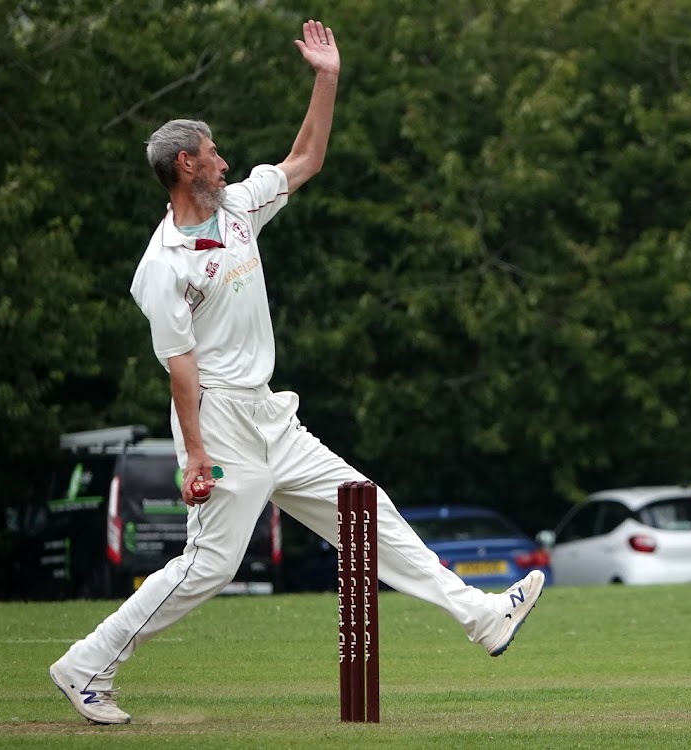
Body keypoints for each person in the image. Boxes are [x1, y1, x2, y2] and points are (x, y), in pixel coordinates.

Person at [48, 20, 544, 725]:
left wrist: (327, 77)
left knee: (361, 509)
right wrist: (195, 454)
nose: (224, 162)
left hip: (268, 413)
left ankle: (482, 617)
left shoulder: (238, 207)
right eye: (212, 154)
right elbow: (180, 370)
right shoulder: (163, 266)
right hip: (219, 420)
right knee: (209, 568)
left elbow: (306, 159)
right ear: (186, 164)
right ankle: (85, 665)